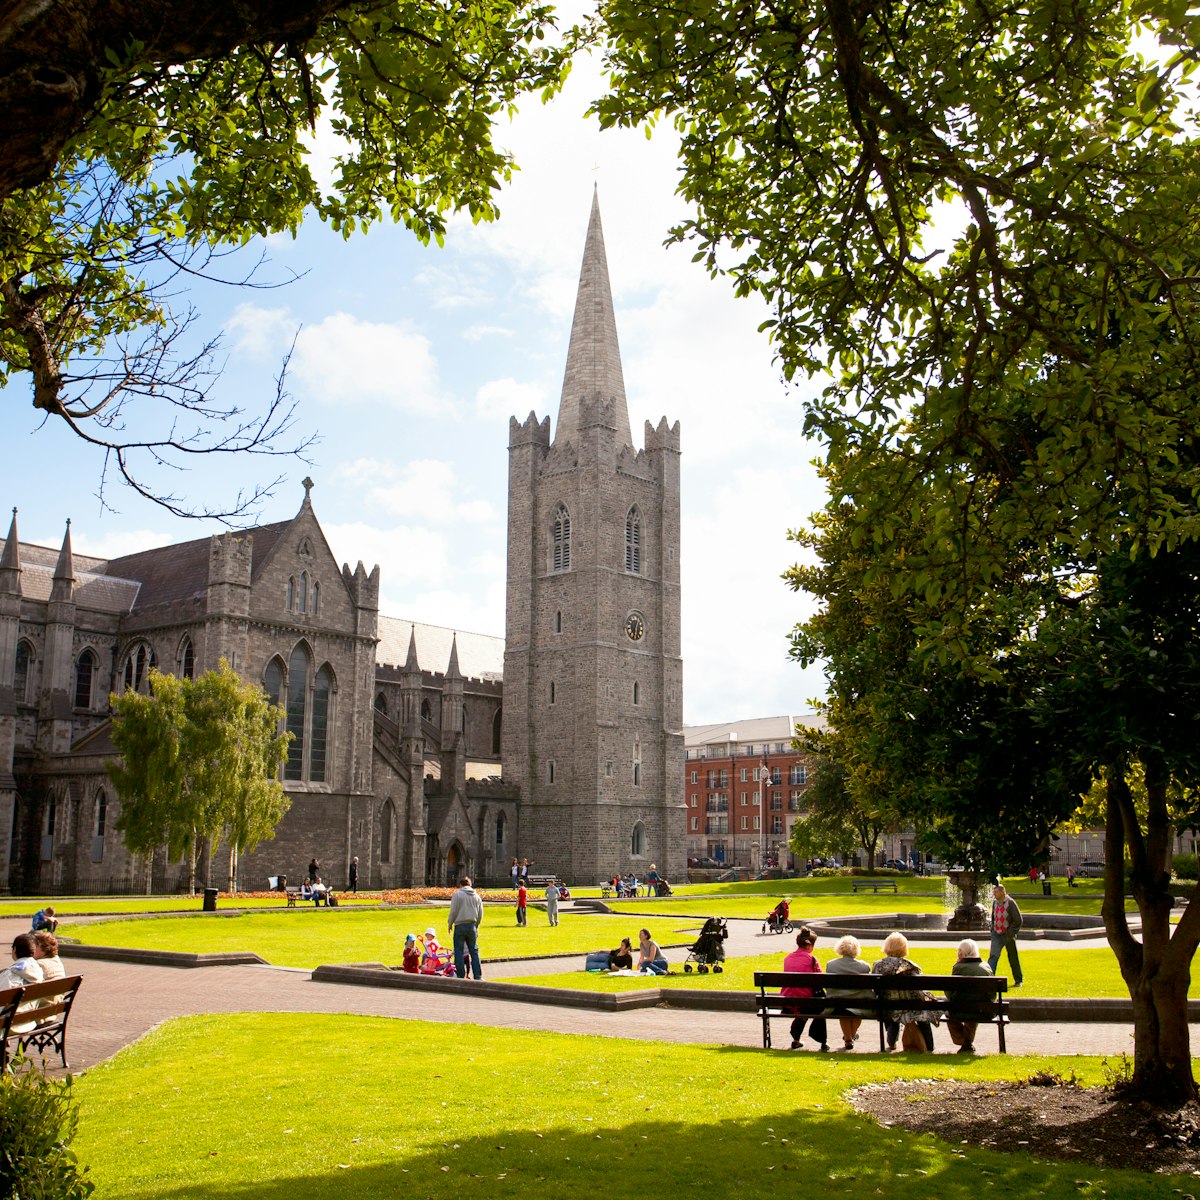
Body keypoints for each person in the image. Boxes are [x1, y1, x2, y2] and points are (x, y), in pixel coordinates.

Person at [871, 931, 937, 1052]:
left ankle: (891, 1043)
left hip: (887, 1006)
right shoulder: (910, 966)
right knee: (922, 1012)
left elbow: (876, 989)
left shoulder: (877, 966)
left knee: (893, 1014)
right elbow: (918, 989)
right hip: (911, 1007)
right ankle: (930, 1046)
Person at [781, 927, 829, 1051]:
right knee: (820, 1007)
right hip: (806, 1001)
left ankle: (796, 1039)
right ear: (810, 946)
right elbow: (820, 979)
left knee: (804, 1007)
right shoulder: (812, 959)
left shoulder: (787, 958)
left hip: (787, 1001)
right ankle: (822, 1041)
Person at [946, 938, 994, 1054]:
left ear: (962, 953)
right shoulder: (986, 967)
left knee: (950, 1013)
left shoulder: (958, 968)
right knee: (973, 1010)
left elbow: (950, 995)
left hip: (960, 1010)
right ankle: (967, 1044)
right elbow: (992, 996)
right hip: (983, 1011)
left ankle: (964, 1043)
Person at [825, 934, 873, 1051]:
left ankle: (848, 1038)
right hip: (859, 1003)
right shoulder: (864, 967)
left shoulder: (831, 965)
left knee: (844, 1009)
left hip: (837, 1003)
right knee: (856, 1009)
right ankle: (850, 1037)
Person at [447, 876, 484, 980]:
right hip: (472, 925)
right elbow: (480, 913)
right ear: (470, 885)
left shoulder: (457, 894)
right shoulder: (477, 896)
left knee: (459, 951)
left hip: (460, 925)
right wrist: (476, 926)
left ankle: (460, 975)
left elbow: (453, 911)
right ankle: (478, 975)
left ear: (461, 885)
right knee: (474, 951)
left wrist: (450, 924)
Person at [988, 884, 1023, 987]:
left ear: (1002, 892)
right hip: (996, 933)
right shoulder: (995, 903)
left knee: (1013, 957)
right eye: (993, 892)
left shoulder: (1011, 903)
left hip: (1008, 935)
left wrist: (1010, 933)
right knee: (993, 956)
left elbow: (1018, 920)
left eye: (996, 892)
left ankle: (1018, 980)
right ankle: (988, 979)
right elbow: (993, 917)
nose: (994, 894)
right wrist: (993, 929)